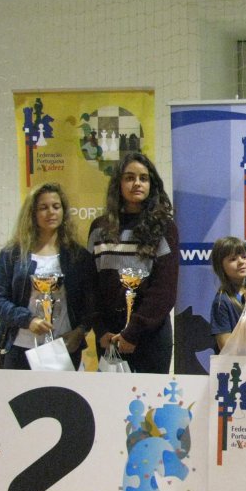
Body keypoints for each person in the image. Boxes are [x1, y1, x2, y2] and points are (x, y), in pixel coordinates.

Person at [87, 152, 179, 373]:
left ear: (151, 184)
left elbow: (164, 290)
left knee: (151, 405)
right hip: (109, 338)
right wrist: (100, 330)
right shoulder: (99, 228)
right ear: (118, 183)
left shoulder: (165, 228)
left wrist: (133, 332)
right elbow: (90, 285)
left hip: (151, 339)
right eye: (129, 177)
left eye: (143, 178)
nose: (137, 183)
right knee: (110, 405)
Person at [0, 182, 95, 370]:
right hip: (20, 347)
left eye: (56, 206)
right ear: (32, 213)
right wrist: (28, 320)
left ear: (63, 212)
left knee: (60, 400)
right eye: (43, 208)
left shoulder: (78, 256)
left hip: (63, 348)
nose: (51, 212)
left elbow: (91, 302)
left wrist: (80, 331)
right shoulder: (12, 254)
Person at [210, 236, 246, 353]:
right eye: (233, 259)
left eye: (244, 257)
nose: (241, 262)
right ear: (220, 266)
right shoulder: (221, 302)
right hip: (234, 368)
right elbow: (226, 348)